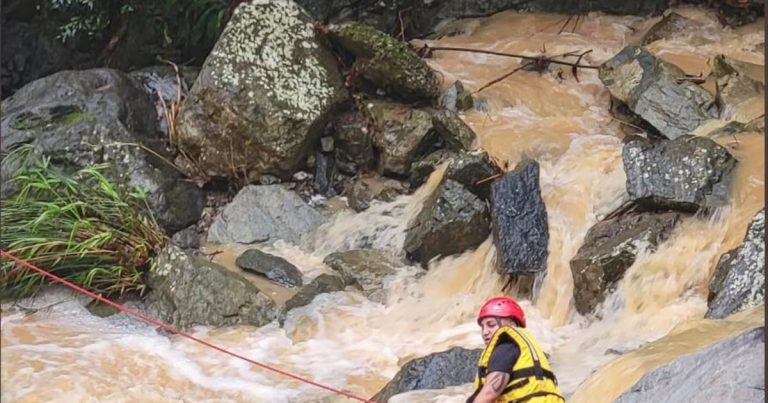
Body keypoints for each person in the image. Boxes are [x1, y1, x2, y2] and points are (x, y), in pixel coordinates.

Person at [467, 296, 564, 403]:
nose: (485, 332)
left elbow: (489, 394)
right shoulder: (527, 350)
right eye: (483, 327)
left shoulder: (506, 346)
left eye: (491, 325)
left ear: (511, 325)